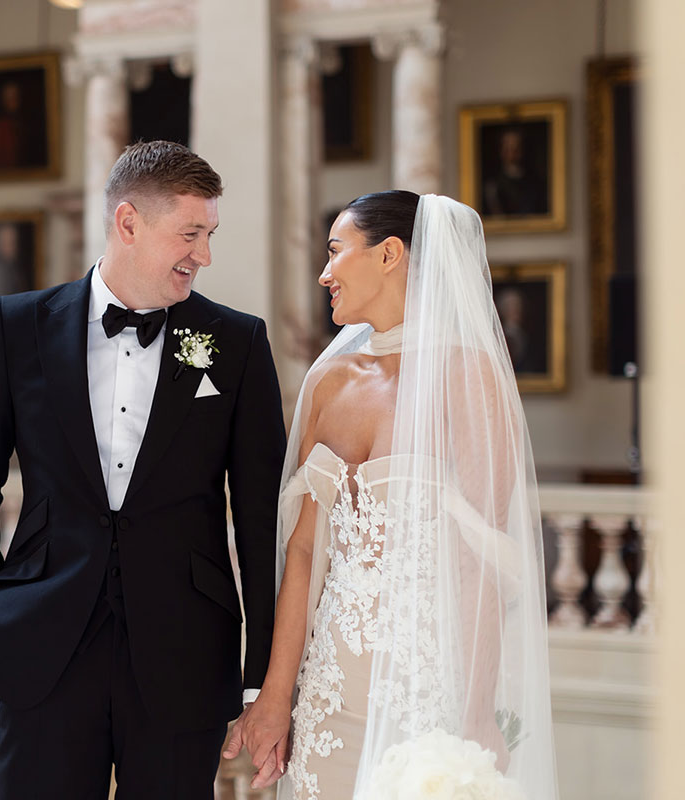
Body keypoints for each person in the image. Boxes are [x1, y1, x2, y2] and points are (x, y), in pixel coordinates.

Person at [0, 140, 286, 799]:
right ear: (128, 223)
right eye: (190, 233)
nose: (203, 255)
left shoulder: (235, 342)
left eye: (209, 234)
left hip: (185, 660)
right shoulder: (17, 328)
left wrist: (260, 679)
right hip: (43, 653)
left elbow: (263, 519)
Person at [225, 191, 557, 799]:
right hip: (327, 698)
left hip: (427, 696)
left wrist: (477, 709)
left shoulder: (470, 379)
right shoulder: (325, 383)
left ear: (389, 254)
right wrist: (277, 697)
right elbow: (302, 554)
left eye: (335, 251)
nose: (324, 274)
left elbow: (482, 560)